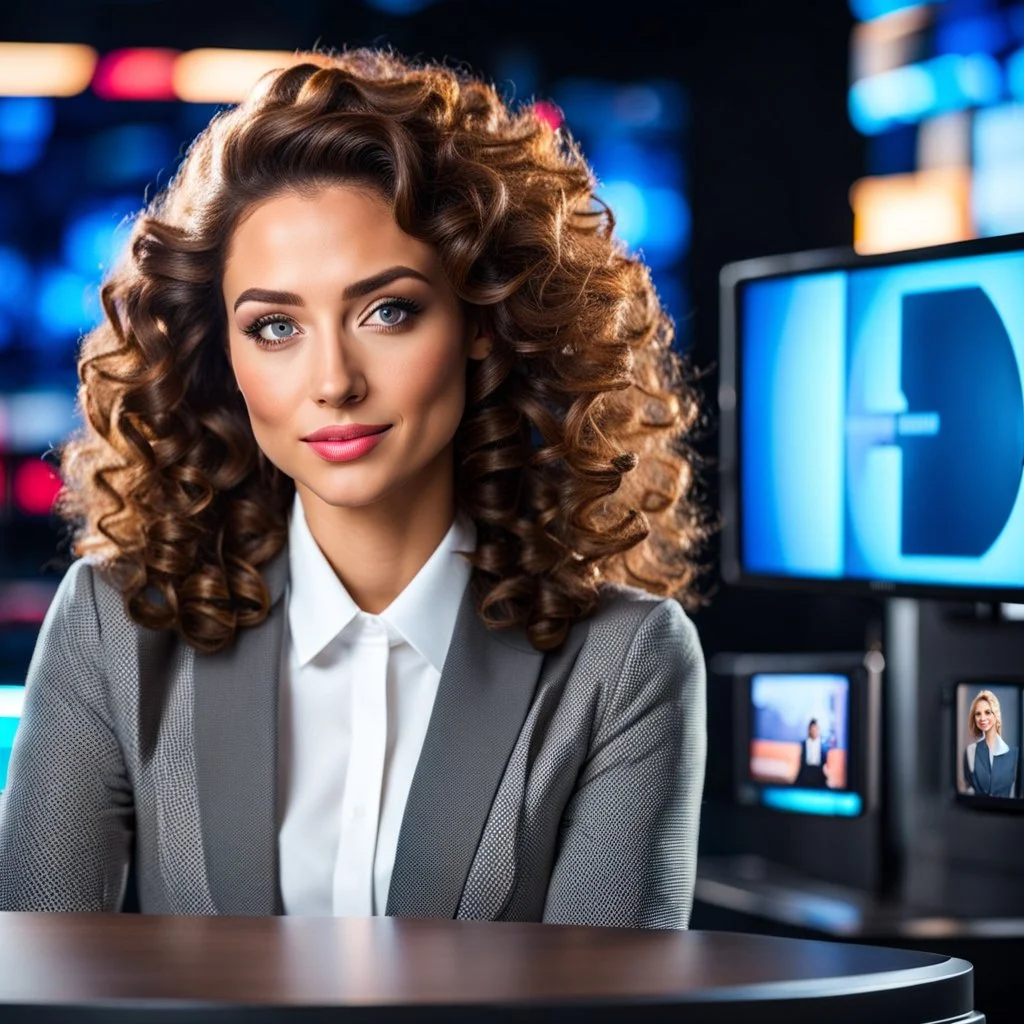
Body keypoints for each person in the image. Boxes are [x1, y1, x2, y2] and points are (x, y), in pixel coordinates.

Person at [0, 49, 709, 928]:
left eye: (389, 311)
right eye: (274, 327)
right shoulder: (114, 626)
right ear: (222, 354)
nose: (332, 380)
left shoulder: (626, 660)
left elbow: (610, 1010)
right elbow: (33, 980)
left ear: (483, 323)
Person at [962, 690, 1018, 798]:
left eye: (987, 712)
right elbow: (969, 790)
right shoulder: (970, 752)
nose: (982, 718)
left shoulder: (1015, 755)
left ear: (995, 714)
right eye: (978, 714)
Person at [795, 719, 828, 789]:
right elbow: (801, 762)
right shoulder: (804, 743)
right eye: (812, 729)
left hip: (819, 771)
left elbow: (825, 762)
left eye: (816, 729)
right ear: (809, 730)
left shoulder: (823, 745)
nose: (814, 731)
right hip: (806, 770)